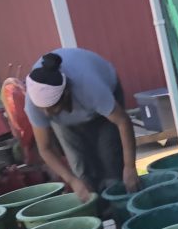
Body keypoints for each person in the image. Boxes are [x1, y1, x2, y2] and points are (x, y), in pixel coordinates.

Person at [24, 49, 139, 202]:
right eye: (41, 108)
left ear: (65, 94)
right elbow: (45, 149)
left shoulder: (89, 86)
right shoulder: (34, 104)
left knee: (112, 164)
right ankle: (99, 216)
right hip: (67, 123)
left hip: (102, 111)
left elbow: (123, 122)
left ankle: (121, 215)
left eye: (51, 108)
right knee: (83, 174)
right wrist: (72, 180)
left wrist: (130, 167)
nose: (45, 113)